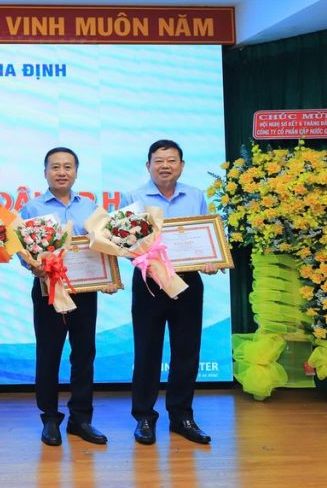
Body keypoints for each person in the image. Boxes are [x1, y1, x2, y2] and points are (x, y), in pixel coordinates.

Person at [122, 139, 219, 446]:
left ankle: (181, 416)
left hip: (187, 282)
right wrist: (144, 258)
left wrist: (210, 259)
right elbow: (123, 243)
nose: (165, 166)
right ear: (148, 165)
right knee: (147, 352)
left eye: (172, 160)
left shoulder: (196, 195)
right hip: (149, 283)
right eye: (159, 160)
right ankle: (144, 417)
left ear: (182, 165)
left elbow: (206, 238)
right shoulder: (133, 198)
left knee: (187, 351)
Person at [19, 147, 117, 447]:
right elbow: (22, 251)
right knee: (48, 354)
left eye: (68, 167)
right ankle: (49, 418)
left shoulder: (90, 208)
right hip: (47, 290)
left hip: (84, 291)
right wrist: (33, 265)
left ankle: (81, 419)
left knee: (84, 353)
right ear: (45, 172)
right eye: (55, 167)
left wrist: (109, 277)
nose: (62, 172)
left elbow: (105, 246)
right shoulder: (32, 209)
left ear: (76, 172)